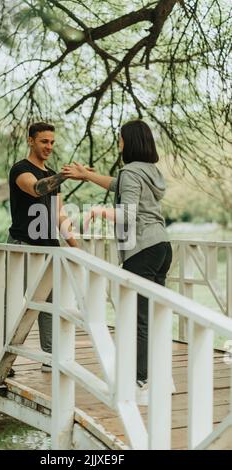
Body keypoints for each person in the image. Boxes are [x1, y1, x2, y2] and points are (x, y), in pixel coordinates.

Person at [62, 120, 173, 405]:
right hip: (161, 246)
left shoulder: (131, 172)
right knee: (152, 316)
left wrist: (99, 210)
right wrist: (87, 176)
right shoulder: (150, 171)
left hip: (142, 250)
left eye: (121, 140)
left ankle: (140, 382)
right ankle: (157, 376)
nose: (119, 144)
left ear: (129, 142)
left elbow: (128, 215)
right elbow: (119, 184)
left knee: (138, 318)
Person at [8, 121, 78, 374]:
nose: (49, 146)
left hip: (51, 249)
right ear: (31, 141)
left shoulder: (52, 177)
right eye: (44, 141)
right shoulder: (20, 169)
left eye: (52, 142)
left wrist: (76, 248)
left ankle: (50, 358)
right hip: (23, 246)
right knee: (19, 304)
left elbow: (59, 216)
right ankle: (4, 358)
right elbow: (36, 189)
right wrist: (63, 175)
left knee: (51, 305)